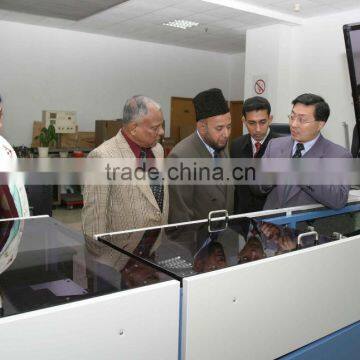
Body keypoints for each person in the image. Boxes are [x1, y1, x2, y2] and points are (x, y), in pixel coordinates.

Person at [82, 95, 168, 267]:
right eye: (155, 127)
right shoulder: (103, 157)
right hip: (117, 262)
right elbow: (94, 225)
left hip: (152, 253)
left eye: (162, 126)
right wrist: (108, 267)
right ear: (133, 127)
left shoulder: (157, 150)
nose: (162, 132)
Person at [260, 93, 351, 210]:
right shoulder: (275, 145)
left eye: (302, 120)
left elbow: (339, 199)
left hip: (305, 226)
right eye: (292, 117)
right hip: (268, 224)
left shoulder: (339, 156)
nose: (293, 124)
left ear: (320, 124)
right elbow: (258, 186)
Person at [168, 88, 234, 223]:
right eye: (219, 128)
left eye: (229, 126)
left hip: (224, 236)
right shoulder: (180, 157)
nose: (226, 134)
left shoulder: (221, 145)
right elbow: (181, 217)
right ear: (202, 127)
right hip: (197, 240)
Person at [230, 96, 278, 214]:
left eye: (262, 122)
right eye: (251, 123)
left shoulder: (282, 147)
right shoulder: (236, 145)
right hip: (242, 217)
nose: (257, 129)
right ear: (244, 121)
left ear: (270, 119)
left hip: (271, 218)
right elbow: (237, 186)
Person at [0, 95, 29, 219]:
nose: (0, 124)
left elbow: (16, 200)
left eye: (0, 114)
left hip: (13, 232)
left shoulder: (5, 148)